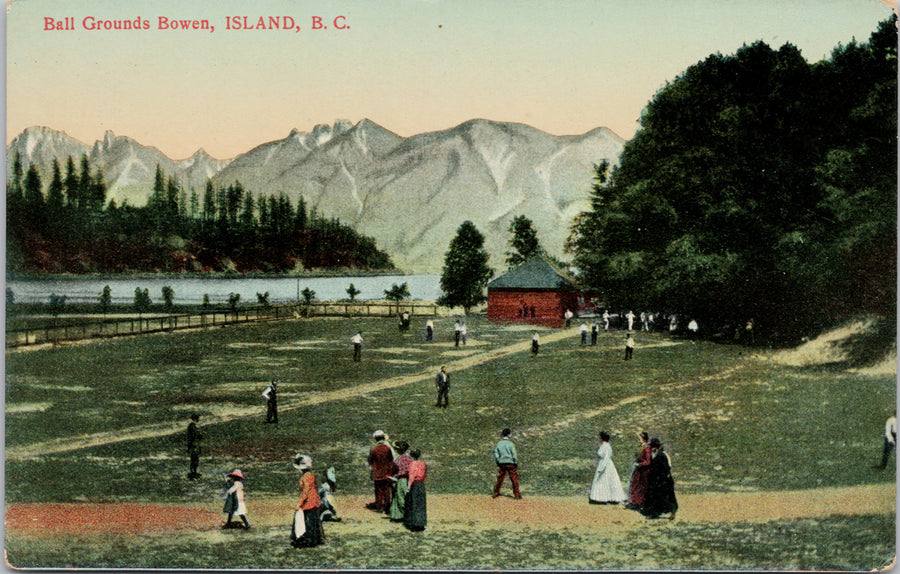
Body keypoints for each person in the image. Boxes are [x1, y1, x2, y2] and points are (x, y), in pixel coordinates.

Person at [291, 454, 324, 547]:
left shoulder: (305, 477)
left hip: (309, 502)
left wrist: (300, 503)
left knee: (307, 521)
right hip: (314, 500)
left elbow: (305, 491)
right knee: (313, 521)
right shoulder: (311, 475)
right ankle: (315, 539)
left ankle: (308, 540)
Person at [640, 438, 678, 519]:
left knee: (666, 496)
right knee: (658, 496)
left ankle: (670, 512)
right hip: (658, 479)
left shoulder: (662, 455)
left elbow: (665, 468)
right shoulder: (656, 455)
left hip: (663, 479)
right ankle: (656, 512)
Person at [589, 431, 628, 504]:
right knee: (604, 481)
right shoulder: (605, 445)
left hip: (606, 465)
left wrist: (601, 468)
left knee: (605, 481)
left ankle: (606, 498)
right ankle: (602, 498)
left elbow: (606, 458)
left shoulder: (606, 446)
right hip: (606, 463)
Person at [367, 430, 397, 513]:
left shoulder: (373, 449)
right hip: (386, 472)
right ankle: (387, 507)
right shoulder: (387, 448)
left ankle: (379, 506)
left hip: (377, 473)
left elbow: (370, 461)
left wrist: (372, 471)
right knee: (386, 491)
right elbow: (391, 460)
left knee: (378, 490)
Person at [492, 428, 522, 499]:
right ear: (509, 435)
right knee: (514, 479)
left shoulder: (499, 444)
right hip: (511, 463)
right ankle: (517, 494)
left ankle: (496, 492)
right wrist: (515, 462)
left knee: (500, 478)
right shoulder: (511, 444)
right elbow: (514, 455)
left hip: (502, 462)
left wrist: (498, 460)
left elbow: (496, 453)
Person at [404, 450, 428, 531]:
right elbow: (425, 474)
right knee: (421, 504)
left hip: (415, 484)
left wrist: (408, 487)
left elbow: (411, 476)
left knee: (414, 504)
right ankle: (421, 523)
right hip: (421, 484)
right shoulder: (423, 463)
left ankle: (414, 523)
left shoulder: (412, 464)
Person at [627, 432, 652, 511]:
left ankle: (642, 504)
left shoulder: (647, 449)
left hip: (644, 472)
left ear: (644, 440)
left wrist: (639, 464)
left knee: (642, 488)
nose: (639, 441)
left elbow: (648, 462)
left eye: (640, 439)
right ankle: (636, 503)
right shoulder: (642, 448)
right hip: (640, 471)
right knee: (636, 486)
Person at [389, 441, 413, 522]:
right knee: (404, 497)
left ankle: (401, 515)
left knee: (400, 497)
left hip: (401, 480)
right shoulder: (409, 458)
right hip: (408, 479)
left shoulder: (399, 459)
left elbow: (395, 470)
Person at [187, 413, 202, 479]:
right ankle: (193, 473)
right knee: (195, 459)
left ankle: (193, 472)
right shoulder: (192, 426)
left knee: (194, 459)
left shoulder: (192, 426)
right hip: (194, 445)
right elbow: (194, 436)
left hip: (194, 445)